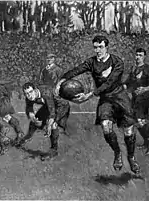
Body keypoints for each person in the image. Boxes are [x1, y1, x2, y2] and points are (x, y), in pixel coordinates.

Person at [55, 35, 140, 174]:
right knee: (106, 128)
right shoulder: (92, 62)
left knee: (129, 132)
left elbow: (109, 83)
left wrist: (90, 94)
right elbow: (76, 70)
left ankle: (131, 157)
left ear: (107, 47)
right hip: (106, 100)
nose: (98, 50)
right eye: (95, 47)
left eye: (100, 47)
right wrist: (62, 80)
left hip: (120, 98)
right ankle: (117, 153)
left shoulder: (117, 62)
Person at [16, 82, 70, 159]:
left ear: (35, 90)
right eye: (27, 93)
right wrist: (33, 117)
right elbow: (29, 107)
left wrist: (49, 126)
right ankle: (27, 137)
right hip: (48, 106)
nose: (29, 95)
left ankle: (54, 150)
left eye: (31, 92)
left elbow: (52, 113)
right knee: (34, 122)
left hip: (61, 106)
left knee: (53, 125)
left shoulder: (46, 93)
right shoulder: (29, 96)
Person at [123, 48, 149, 155]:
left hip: (145, 98)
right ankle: (146, 142)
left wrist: (145, 88)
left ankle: (148, 142)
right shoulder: (133, 69)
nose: (138, 57)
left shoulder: (147, 68)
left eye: (140, 55)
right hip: (135, 99)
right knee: (137, 121)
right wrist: (121, 87)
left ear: (144, 57)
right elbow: (128, 82)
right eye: (137, 55)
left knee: (140, 120)